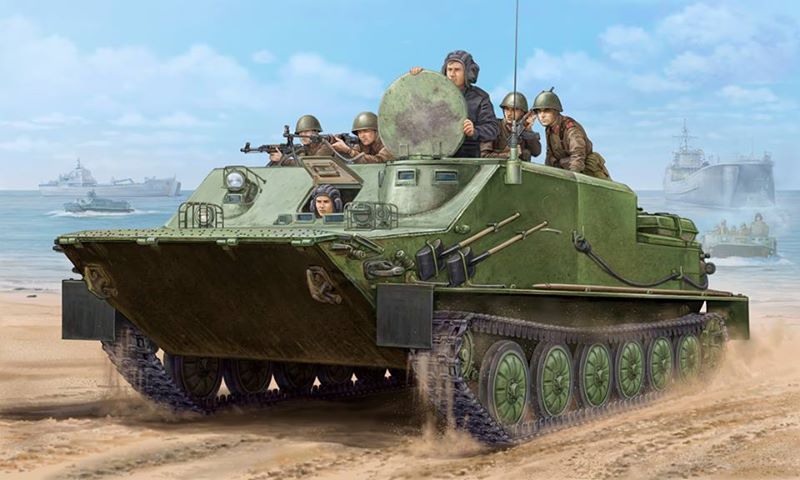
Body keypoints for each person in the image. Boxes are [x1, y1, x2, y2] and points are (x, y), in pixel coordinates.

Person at [409, 50, 498, 157]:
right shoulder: (434, 94)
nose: (452, 74)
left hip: (467, 158)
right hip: (435, 154)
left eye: (457, 70)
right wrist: (419, 77)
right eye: (449, 69)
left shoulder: (480, 98)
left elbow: (493, 129)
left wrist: (474, 131)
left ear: (468, 72)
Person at [532, 88, 611, 179]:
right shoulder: (549, 129)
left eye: (546, 111)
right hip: (568, 170)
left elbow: (578, 154)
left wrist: (572, 178)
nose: (541, 116)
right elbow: (550, 156)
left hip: (589, 171)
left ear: (556, 111)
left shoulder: (571, 128)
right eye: (539, 111)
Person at [481, 92, 541, 161]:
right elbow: (484, 156)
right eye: (507, 109)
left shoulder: (524, 131)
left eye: (514, 110)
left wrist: (528, 130)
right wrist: (508, 155)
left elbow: (536, 152)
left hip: (519, 167)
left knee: (526, 153)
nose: (509, 114)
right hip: (496, 167)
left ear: (523, 112)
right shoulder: (493, 127)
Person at [269, 115, 334, 166]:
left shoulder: (327, 146)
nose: (302, 136)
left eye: (306, 132)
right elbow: (299, 164)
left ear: (315, 132)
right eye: (300, 133)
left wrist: (283, 160)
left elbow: (311, 164)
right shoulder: (305, 148)